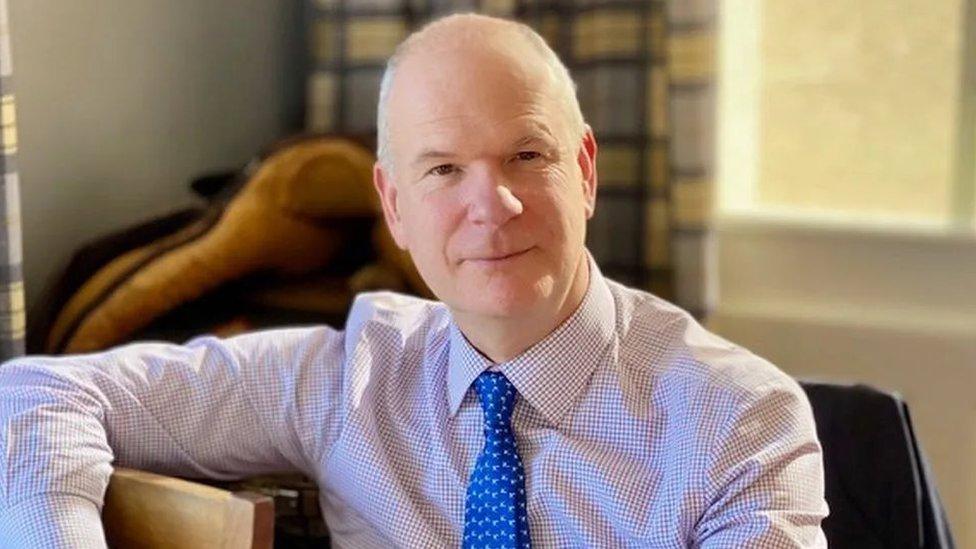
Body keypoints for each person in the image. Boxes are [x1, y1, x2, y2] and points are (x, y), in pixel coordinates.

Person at [0, 13, 828, 548]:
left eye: (526, 156)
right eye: (443, 170)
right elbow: (35, 394)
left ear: (584, 172)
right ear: (394, 208)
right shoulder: (349, 378)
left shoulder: (741, 422)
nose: (491, 205)